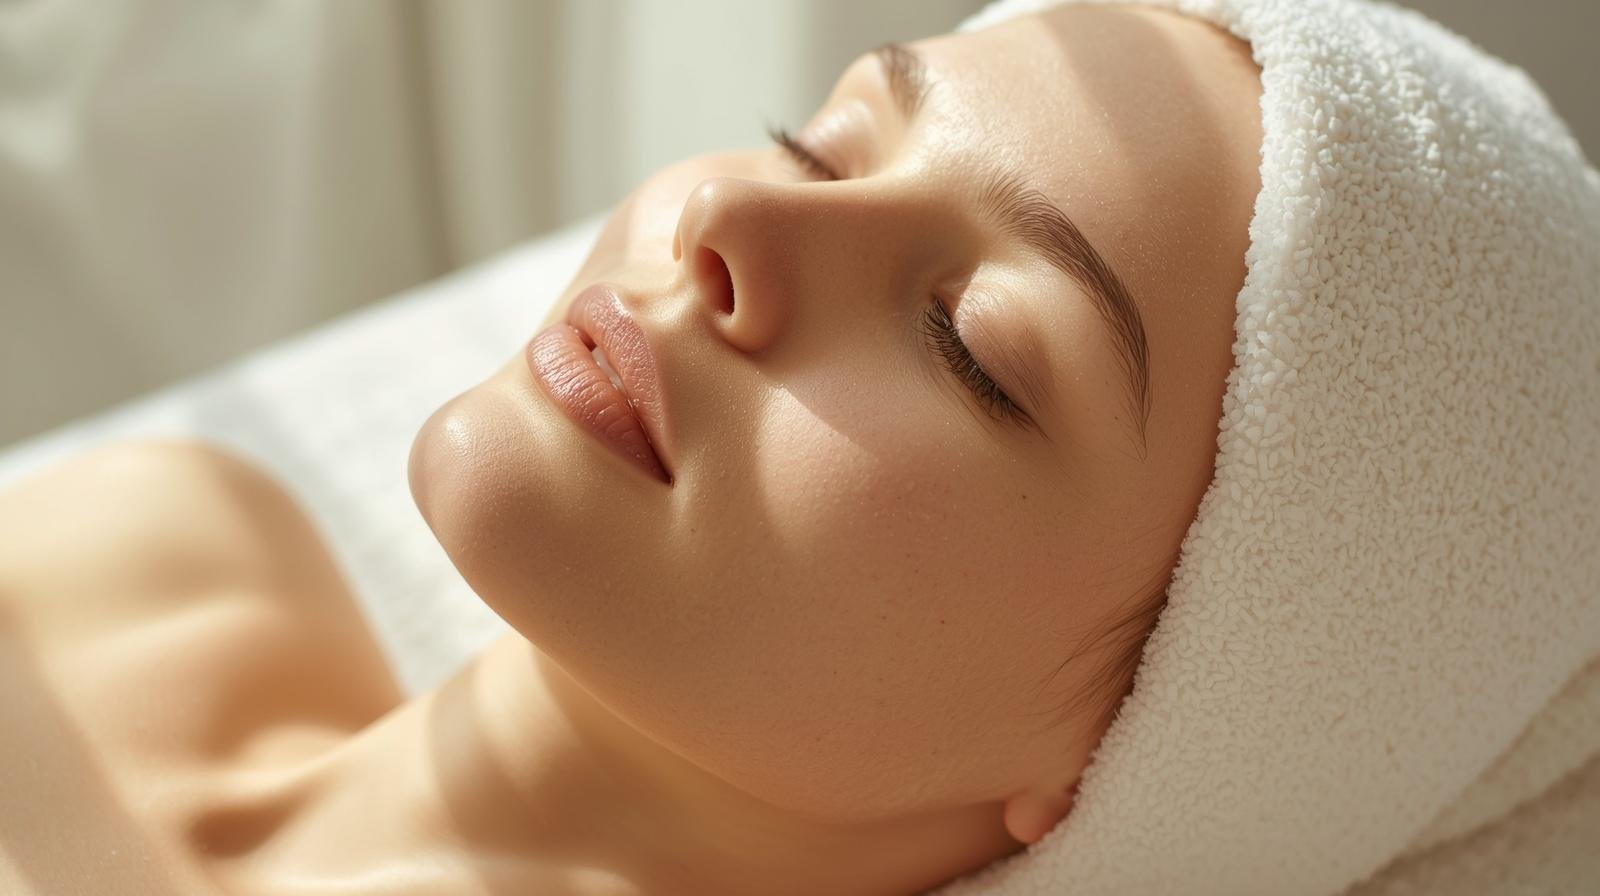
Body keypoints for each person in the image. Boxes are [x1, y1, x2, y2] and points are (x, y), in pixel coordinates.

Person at [0, 3, 1263, 894]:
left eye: (966, 340)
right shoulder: (141, 551)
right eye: (813, 147)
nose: (728, 213)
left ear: (1133, 756)